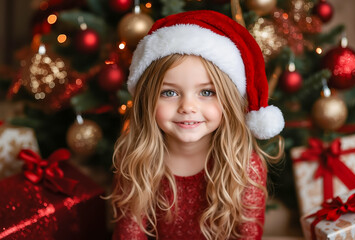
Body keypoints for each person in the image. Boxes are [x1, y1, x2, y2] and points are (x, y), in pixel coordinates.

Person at [109, 10, 284, 240]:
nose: (187, 107)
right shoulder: (136, 160)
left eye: (206, 92)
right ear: (147, 100)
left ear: (228, 100)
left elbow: (249, 235)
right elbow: (129, 234)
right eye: (169, 92)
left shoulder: (244, 164)